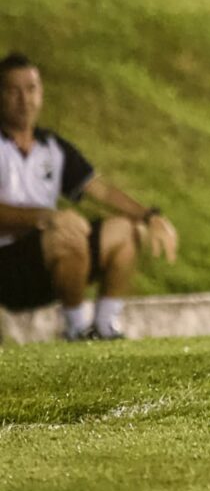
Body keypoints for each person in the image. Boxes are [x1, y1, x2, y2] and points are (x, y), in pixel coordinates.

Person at [0, 54, 178, 340]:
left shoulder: (52, 147)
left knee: (125, 231)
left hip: (51, 259)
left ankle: (105, 327)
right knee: (66, 233)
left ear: (41, 93)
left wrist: (149, 216)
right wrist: (48, 218)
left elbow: (101, 190)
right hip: (9, 266)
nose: (24, 99)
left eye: (31, 89)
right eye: (13, 90)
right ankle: (75, 329)